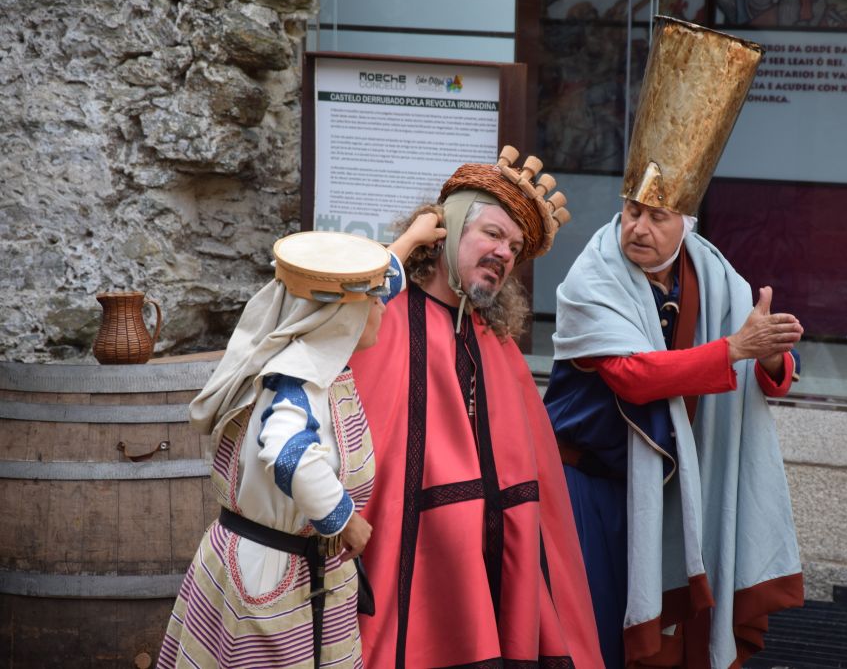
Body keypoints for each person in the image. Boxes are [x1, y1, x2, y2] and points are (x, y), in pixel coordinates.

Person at [544, 18, 805, 669]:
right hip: (592, 486)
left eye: (656, 215)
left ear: (684, 222)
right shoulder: (589, 277)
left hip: (673, 485)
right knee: (596, 639)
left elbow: (772, 375)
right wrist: (736, 352)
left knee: (678, 642)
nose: (637, 226)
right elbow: (633, 376)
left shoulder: (713, 273)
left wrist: (770, 355)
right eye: (632, 208)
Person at [347, 146, 603, 668]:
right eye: (492, 233)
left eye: (514, 246)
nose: (505, 253)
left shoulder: (496, 341)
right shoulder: (379, 320)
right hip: (405, 575)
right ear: (448, 230)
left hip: (489, 575)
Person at [156, 214, 445, 669]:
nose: (385, 306)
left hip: (295, 567)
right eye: (373, 301)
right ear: (340, 316)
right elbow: (288, 452)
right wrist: (345, 519)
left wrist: (412, 240)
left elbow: (372, 285)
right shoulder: (297, 380)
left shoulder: (316, 353)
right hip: (270, 575)